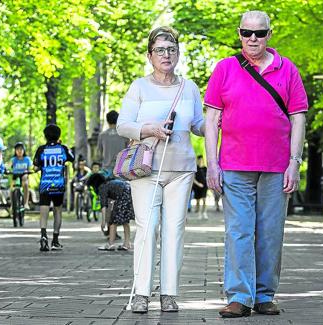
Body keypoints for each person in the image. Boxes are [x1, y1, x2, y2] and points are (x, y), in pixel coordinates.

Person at [204, 11, 308, 318]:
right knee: (238, 231)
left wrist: (295, 162)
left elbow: (298, 118)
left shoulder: (287, 69)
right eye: (247, 33)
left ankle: (264, 295)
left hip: (277, 167)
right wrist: (212, 164)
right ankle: (239, 296)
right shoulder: (225, 68)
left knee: (270, 232)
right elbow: (211, 119)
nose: (253, 38)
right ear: (239, 34)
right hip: (234, 165)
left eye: (259, 33)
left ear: (269, 34)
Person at [117, 26, 205, 313]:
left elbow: (199, 125)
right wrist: (150, 129)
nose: (166, 55)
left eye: (171, 49)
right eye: (160, 50)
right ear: (149, 55)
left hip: (181, 170)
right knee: (147, 228)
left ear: (178, 53)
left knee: (174, 230)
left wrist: (222, 120)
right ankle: (141, 293)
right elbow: (123, 124)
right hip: (146, 169)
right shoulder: (139, 87)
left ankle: (169, 293)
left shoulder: (189, 87)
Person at [33, 124, 74, 251]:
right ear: (58, 135)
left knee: (44, 211)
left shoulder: (41, 149)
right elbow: (71, 159)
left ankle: (43, 235)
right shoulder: (63, 149)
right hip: (58, 185)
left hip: (45, 184)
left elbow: (35, 165)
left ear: (45, 136)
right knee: (57, 211)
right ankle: (55, 240)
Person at [97, 179, 134, 251]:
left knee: (113, 221)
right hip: (130, 191)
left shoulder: (103, 188)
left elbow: (104, 205)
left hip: (123, 195)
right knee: (125, 221)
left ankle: (111, 244)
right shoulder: (110, 183)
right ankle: (126, 244)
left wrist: (103, 222)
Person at [97, 110, 128, 177]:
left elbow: (99, 154)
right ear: (118, 120)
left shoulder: (102, 135)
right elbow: (128, 151)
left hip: (106, 169)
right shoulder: (124, 135)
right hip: (121, 168)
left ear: (107, 121)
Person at [10, 142, 32, 208]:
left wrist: (28, 172)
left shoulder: (27, 159)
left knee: (25, 184)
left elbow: (29, 169)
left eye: (21, 149)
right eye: (17, 149)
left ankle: (26, 203)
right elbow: (9, 167)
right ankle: (12, 204)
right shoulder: (13, 160)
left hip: (24, 176)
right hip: (15, 175)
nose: (19, 151)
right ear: (15, 151)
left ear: (23, 150)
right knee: (12, 189)